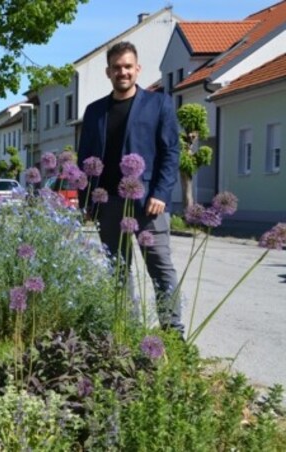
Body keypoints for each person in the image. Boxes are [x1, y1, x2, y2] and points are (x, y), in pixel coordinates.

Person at [77, 41, 185, 335]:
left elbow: (170, 153)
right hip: (108, 204)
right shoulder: (95, 111)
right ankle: (128, 332)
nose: (122, 72)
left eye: (127, 66)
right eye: (116, 68)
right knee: (118, 272)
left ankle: (173, 336)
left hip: (148, 204)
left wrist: (161, 193)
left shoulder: (158, 104)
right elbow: (85, 159)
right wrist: (86, 201)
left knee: (161, 269)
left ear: (137, 69)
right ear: (108, 72)